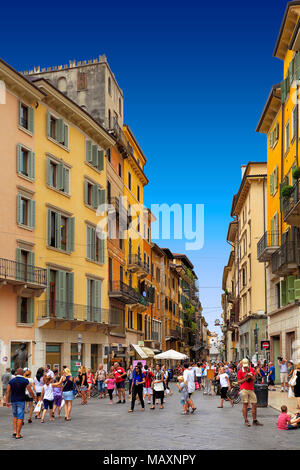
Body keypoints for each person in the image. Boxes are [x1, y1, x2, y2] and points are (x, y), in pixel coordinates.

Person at [5, 368, 34, 439]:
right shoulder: (25, 380)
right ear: (22, 373)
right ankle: (18, 434)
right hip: (21, 400)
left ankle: (15, 432)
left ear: (16, 373)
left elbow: (8, 392)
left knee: (15, 416)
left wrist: (7, 402)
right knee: (20, 417)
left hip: (13, 400)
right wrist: (34, 396)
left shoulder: (11, 381)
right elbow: (30, 391)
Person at [237, 358, 263, 427]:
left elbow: (254, 380)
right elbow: (238, 382)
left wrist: (251, 376)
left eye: (246, 366)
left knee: (254, 404)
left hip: (251, 389)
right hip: (244, 389)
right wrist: (245, 378)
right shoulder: (240, 371)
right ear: (242, 364)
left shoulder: (251, 369)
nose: (245, 367)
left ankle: (254, 420)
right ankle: (246, 420)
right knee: (245, 404)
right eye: (244, 366)